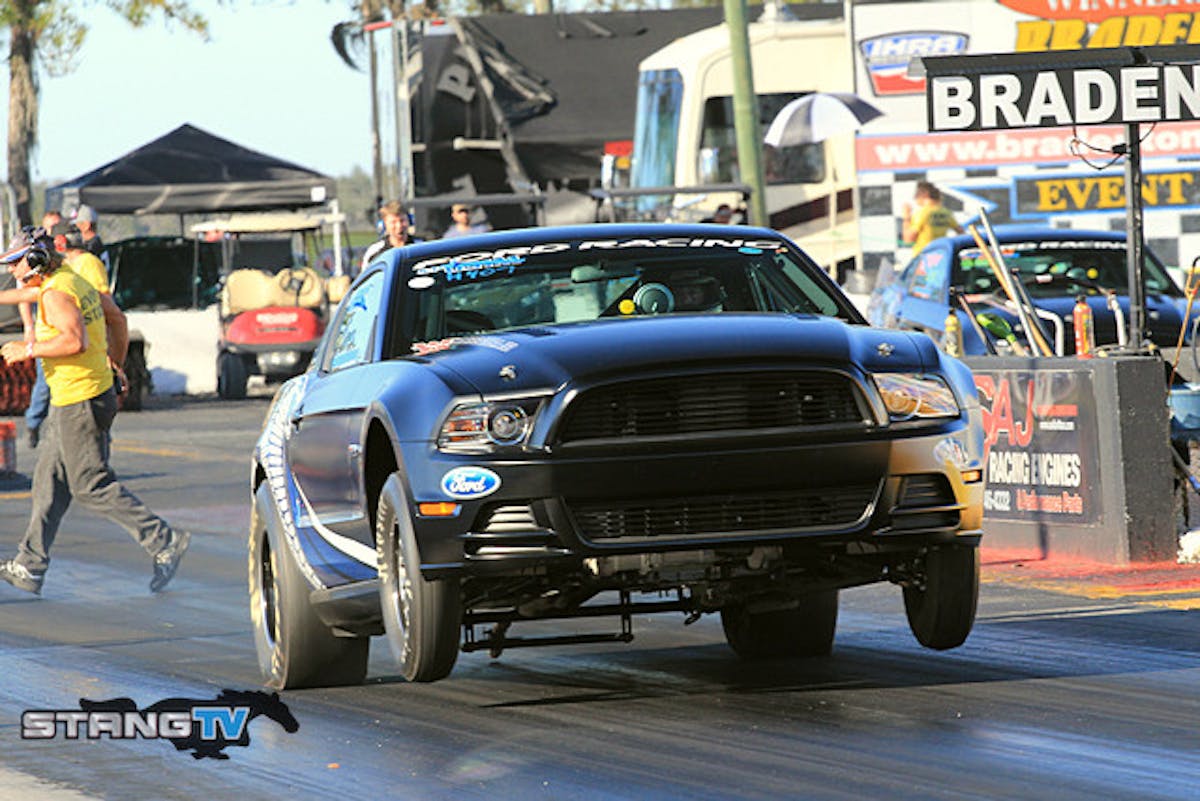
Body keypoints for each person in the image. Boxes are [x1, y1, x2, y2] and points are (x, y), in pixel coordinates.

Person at [0, 227, 189, 596]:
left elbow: (74, 340)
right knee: (49, 482)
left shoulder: (56, 294)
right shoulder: (70, 279)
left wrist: (28, 350)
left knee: (90, 485)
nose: (13, 270)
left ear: (36, 260)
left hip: (79, 401)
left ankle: (162, 539)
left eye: (17, 262)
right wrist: (115, 365)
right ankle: (29, 564)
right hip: (85, 394)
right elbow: (116, 319)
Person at [20, 211, 66, 447]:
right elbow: (25, 294)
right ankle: (33, 422)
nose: (52, 234)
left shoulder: (64, 260)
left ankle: (54, 429)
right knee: (45, 381)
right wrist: (29, 326)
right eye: (49, 229)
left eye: (56, 229)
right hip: (46, 329)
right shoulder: (35, 257)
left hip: (64, 329)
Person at [901, 181, 963, 255]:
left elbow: (908, 240)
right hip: (941, 255)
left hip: (924, 256)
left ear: (924, 195)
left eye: (916, 195)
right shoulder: (946, 213)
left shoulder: (922, 213)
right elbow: (961, 233)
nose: (915, 199)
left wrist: (906, 217)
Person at [361, 200, 418, 270]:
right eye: (393, 222)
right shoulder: (375, 251)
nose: (399, 226)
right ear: (384, 225)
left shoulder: (421, 246)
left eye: (402, 220)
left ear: (410, 220)